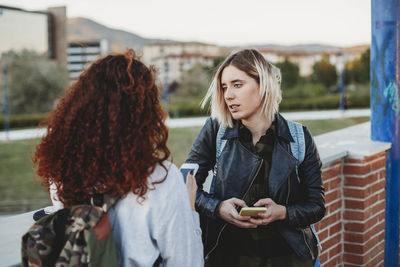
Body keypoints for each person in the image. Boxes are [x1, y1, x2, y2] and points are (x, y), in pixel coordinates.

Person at [32, 50, 203, 267]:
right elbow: (187, 263)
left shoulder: (63, 172)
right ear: (144, 113)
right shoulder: (162, 179)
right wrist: (189, 209)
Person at [185, 49, 325, 266]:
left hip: (289, 258)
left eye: (237, 84)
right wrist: (218, 208)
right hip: (230, 256)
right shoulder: (216, 130)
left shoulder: (299, 136)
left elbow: (316, 205)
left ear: (263, 85)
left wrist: (283, 213)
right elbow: (184, 184)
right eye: (224, 87)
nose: (228, 95)